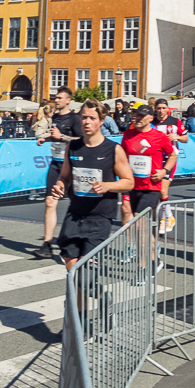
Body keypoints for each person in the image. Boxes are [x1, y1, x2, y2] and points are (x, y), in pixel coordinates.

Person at [49, 99, 134, 270]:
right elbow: (64, 176)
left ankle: (89, 293)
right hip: (75, 213)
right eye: (84, 117)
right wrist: (60, 186)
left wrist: (107, 186)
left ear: (102, 121)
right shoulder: (72, 146)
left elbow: (129, 182)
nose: (87, 122)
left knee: (87, 269)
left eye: (92, 118)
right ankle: (90, 295)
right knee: (71, 265)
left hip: (99, 216)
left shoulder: (113, 149)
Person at [35, 87, 84, 259]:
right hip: (55, 163)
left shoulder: (75, 118)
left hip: (70, 165)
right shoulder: (55, 117)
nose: (56, 101)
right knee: (49, 202)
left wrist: (63, 137)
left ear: (68, 100)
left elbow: (81, 139)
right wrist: (45, 138)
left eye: (59, 98)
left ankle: (80, 241)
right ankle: (47, 244)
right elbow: (55, 136)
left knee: (77, 204)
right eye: (55, 98)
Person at [120, 106, 177, 242]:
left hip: (151, 186)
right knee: (140, 222)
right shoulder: (128, 134)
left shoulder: (159, 137)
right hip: (132, 185)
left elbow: (172, 155)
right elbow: (121, 156)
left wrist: (164, 171)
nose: (138, 118)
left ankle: (146, 259)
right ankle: (152, 249)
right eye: (136, 115)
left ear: (151, 118)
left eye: (141, 115)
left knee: (139, 219)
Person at [151, 99, 188, 233]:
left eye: (163, 108)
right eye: (159, 108)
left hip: (170, 158)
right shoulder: (152, 123)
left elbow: (186, 138)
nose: (161, 111)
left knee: (163, 190)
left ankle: (166, 218)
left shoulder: (175, 122)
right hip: (155, 159)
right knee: (156, 190)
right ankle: (167, 216)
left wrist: (176, 137)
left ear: (168, 109)